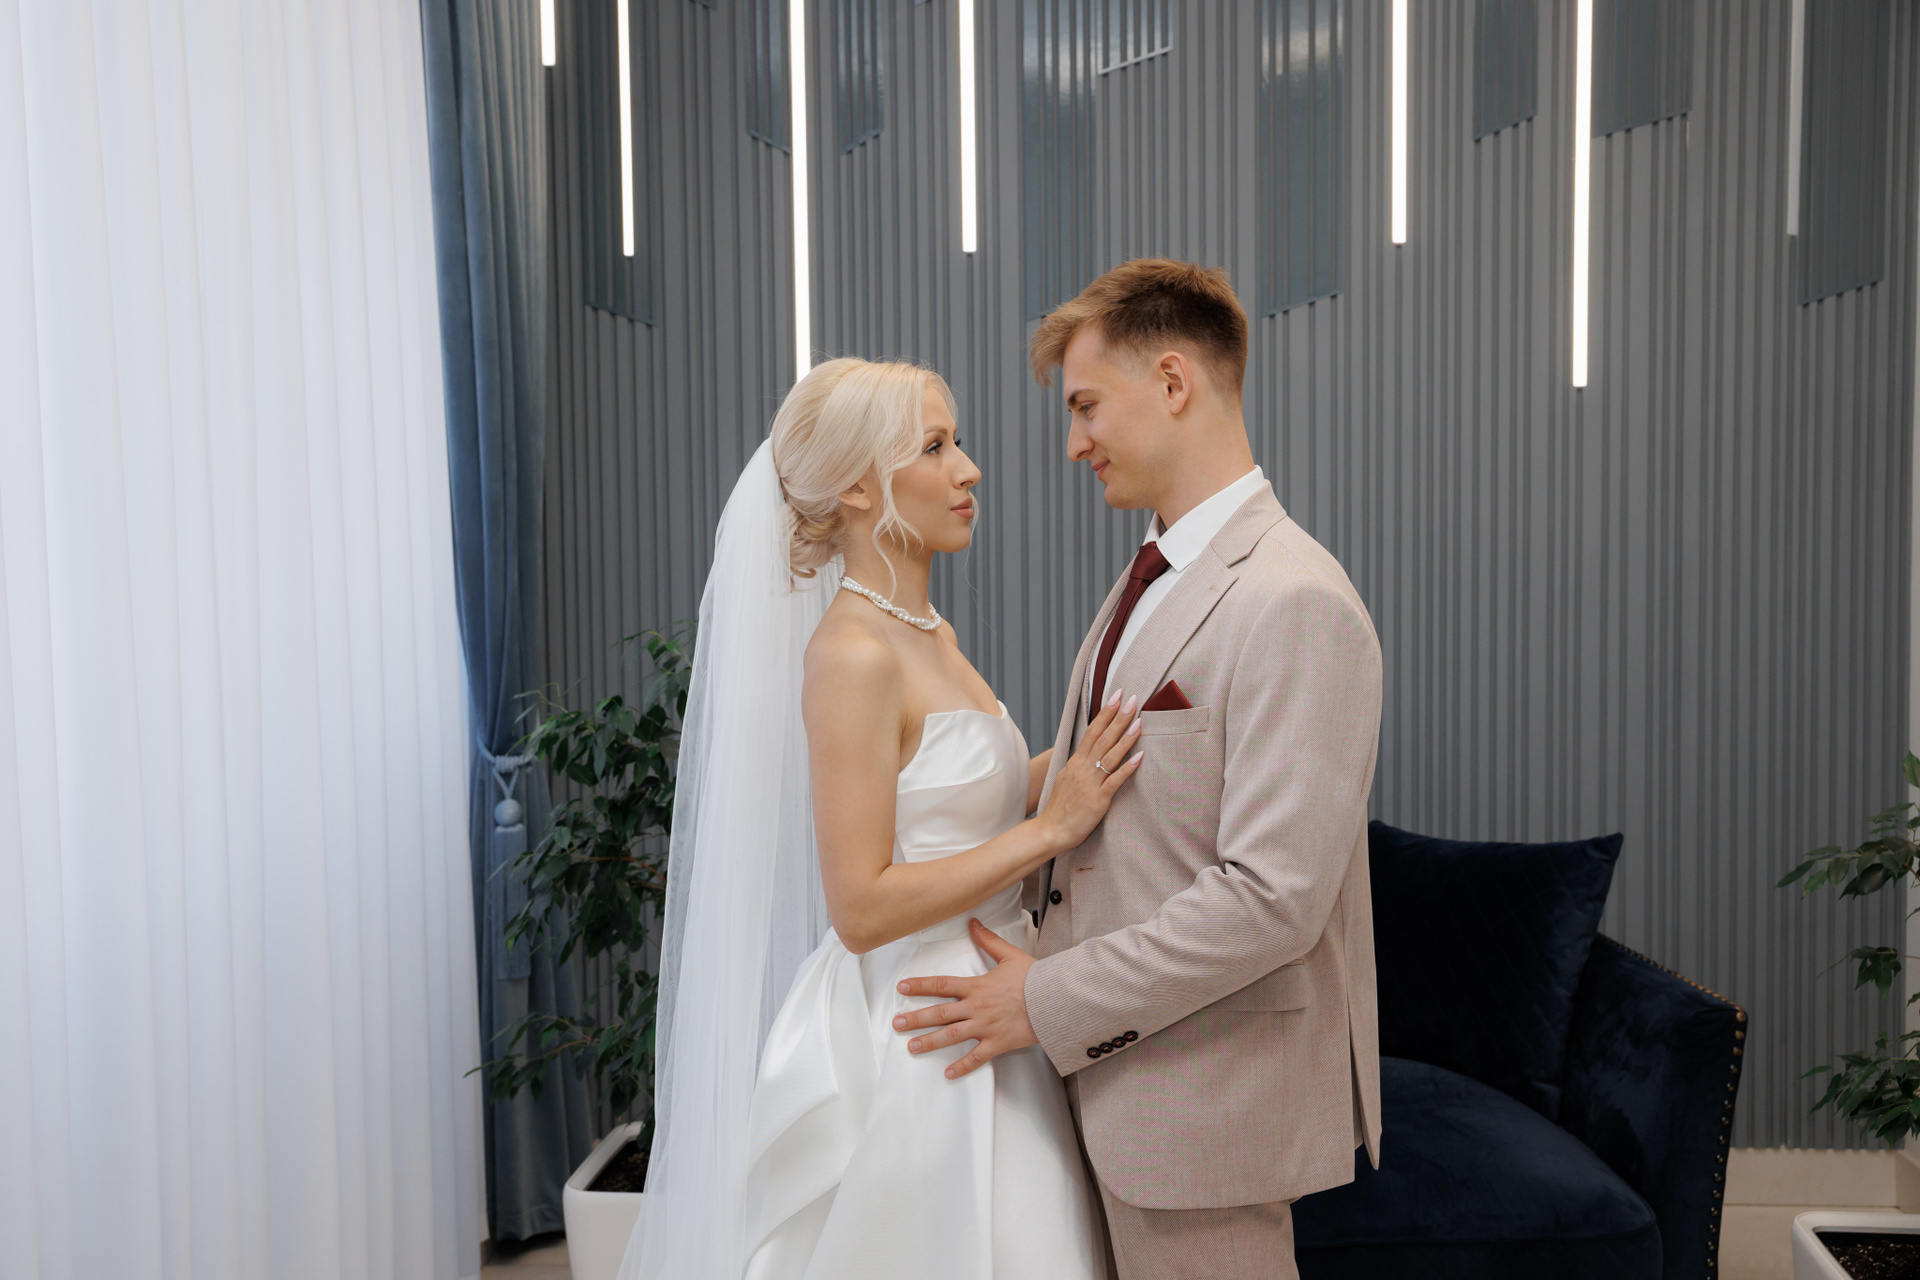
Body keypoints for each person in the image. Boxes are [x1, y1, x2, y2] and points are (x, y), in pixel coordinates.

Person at [892, 260, 1385, 1280]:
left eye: (1085, 406)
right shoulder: (1152, 569)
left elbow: (1272, 900)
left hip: (1204, 1107)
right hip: (1104, 1085)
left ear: (1171, 381)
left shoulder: (1296, 599)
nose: (1073, 443)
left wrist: (1045, 998)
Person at [621, 357, 1135, 1280]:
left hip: (990, 999)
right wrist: (1051, 829)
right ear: (857, 488)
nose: (969, 469)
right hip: (919, 1030)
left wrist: (1103, 746)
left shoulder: (928, 630)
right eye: (934, 447)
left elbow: (959, 803)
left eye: (957, 441)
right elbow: (859, 906)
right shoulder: (852, 655)